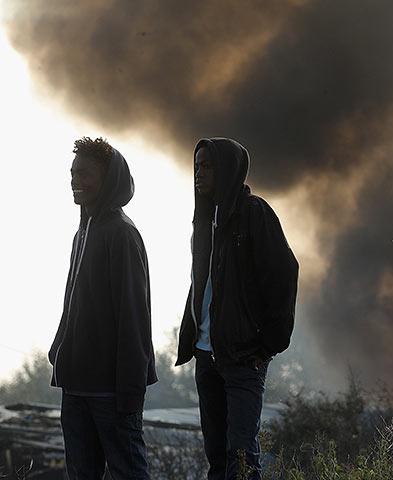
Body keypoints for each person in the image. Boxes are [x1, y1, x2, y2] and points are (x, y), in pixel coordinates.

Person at [176, 137, 298, 480]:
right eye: (196, 165)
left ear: (227, 169)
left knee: (241, 458)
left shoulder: (254, 213)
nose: (199, 172)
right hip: (205, 355)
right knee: (216, 456)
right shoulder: (204, 219)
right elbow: (201, 282)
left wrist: (267, 346)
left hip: (243, 358)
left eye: (207, 165)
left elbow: (284, 274)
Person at [49, 137, 157, 479]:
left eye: (84, 173)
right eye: (71, 173)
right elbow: (72, 304)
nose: (75, 181)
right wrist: (59, 353)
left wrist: (130, 392)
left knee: (128, 474)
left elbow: (134, 317)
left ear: (108, 177)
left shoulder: (122, 234)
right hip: (76, 387)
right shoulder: (82, 233)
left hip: (111, 392)